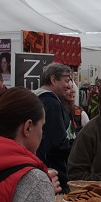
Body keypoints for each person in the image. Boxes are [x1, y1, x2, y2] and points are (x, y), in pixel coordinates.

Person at [34, 62, 73, 193]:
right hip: (52, 169)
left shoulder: (39, 98)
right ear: (53, 80)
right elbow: (58, 143)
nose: (68, 85)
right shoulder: (51, 102)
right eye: (66, 80)